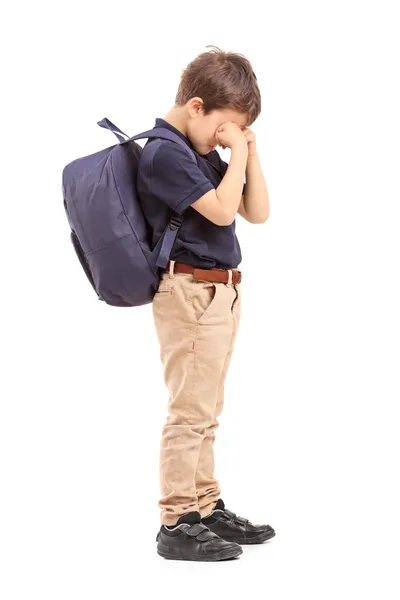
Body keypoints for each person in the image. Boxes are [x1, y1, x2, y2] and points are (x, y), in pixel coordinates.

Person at [137, 45, 274, 561]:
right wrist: (235, 152)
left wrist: (247, 153)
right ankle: (176, 521)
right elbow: (221, 213)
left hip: (219, 290)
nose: (228, 138)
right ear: (196, 107)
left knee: (207, 410)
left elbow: (255, 212)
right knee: (189, 413)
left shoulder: (199, 151)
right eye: (225, 126)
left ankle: (204, 504)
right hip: (190, 293)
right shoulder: (166, 152)